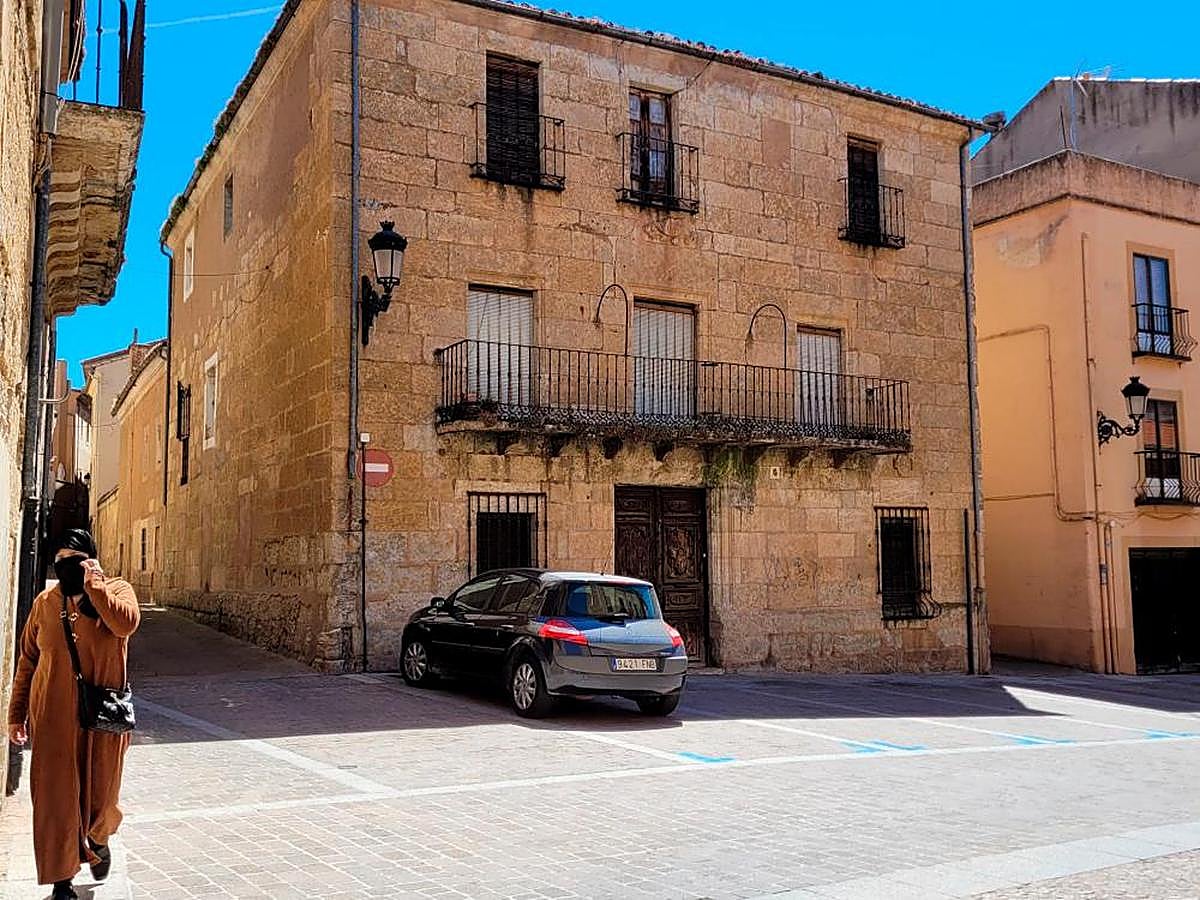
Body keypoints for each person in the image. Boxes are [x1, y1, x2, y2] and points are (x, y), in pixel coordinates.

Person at [7, 529, 140, 900]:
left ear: (91, 560)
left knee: (103, 798)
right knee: (56, 799)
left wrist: (95, 587)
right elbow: (28, 660)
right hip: (52, 717)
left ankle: (99, 837)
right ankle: (61, 880)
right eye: (61, 559)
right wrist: (17, 713)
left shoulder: (117, 590)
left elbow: (126, 624)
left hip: (102, 720)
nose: (67, 565)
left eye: (75, 558)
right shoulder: (45, 603)